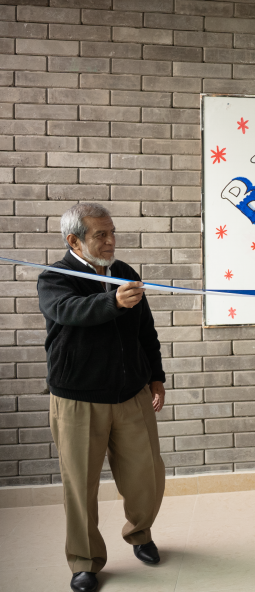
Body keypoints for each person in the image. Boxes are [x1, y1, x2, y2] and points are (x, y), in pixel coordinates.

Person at [37, 203, 166, 592]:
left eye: (112, 233)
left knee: (147, 477)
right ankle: (84, 561)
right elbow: (68, 311)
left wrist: (156, 377)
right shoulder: (54, 278)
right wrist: (113, 302)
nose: (111, 241)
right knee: (80, 487)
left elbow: (145, 330)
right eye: (101, 235)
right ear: (74, 240)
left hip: (131, 395)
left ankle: (140, 534)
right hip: (77, 401)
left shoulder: (124, 273)